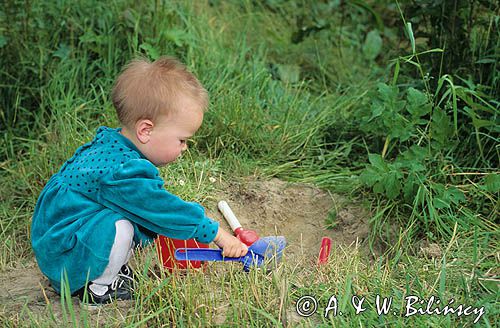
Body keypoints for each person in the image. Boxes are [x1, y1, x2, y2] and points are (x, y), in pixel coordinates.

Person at [31, 57, 248, 306]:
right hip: (63, 251)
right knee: (120, 226)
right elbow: (163, 210)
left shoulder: (114, 145)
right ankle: (97, 288)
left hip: (62, 237)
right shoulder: (124, 174)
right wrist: (218, 235)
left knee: (123, 218)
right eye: (182, 140)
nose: (185, 148)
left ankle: (104, 270)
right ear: (146, 130)